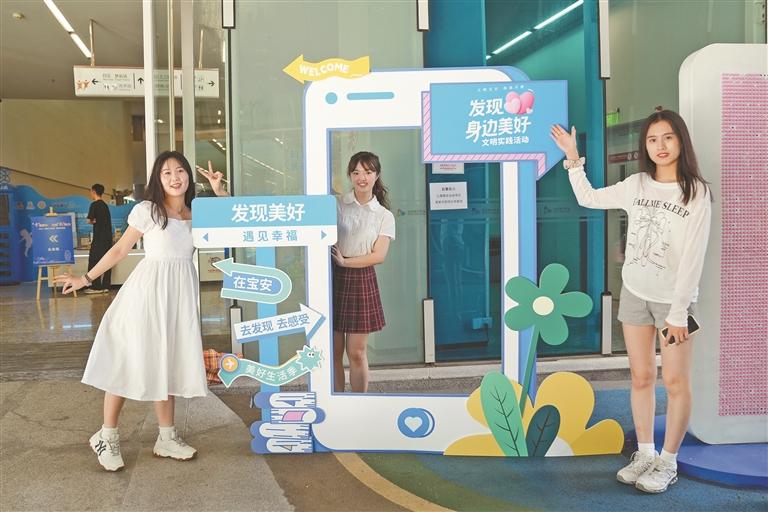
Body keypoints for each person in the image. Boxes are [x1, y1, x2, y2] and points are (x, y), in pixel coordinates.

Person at [551, 109, 711, 494]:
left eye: (668, 137)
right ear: (645, 147)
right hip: (636, 294)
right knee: (641, 377)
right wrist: (572, 157)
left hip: (673, 305)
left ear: (681, 141)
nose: (660, 146)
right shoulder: (637, 184)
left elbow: (693, 258)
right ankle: (644, 453)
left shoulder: (695, 192)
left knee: (675, 382)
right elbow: (588, 198)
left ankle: (668, 461)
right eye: (652, 140)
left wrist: (678, 313)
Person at [55, 153, 228, 471]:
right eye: (167, 173)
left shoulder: (196, 213)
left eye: (180, 171)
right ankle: (107, 435)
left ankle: (166, 437)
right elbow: (120, 249)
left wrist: (219, 192)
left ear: (189, 176)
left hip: (179, 296)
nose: (175, 178)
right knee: (127, 359)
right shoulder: (148, 210)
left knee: (168, 360)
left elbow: (231, 225)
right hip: (147, 294)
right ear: (157, 179)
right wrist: (85, 278)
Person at [331, 151, 395, 393]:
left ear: (376, 175)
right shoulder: (337, 204)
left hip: (360, 279)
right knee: (333, 351)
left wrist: (345, 263)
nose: (362, 178)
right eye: (356, 172)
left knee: (356, 352)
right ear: (349, 175)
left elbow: (379, 256)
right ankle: (335, 401)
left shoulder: (384, 215)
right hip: (332, 277)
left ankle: (359, 402)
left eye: (368, 172)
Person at [84, 184, 113, 294]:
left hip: (98, 239)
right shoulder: (105, 206)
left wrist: (93, 221)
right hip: (108, 239)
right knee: (107, 261)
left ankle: (96, 287)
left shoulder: (94, 205)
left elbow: (89, 220)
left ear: (93, 191)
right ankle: (106, 286)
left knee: (94, 261)